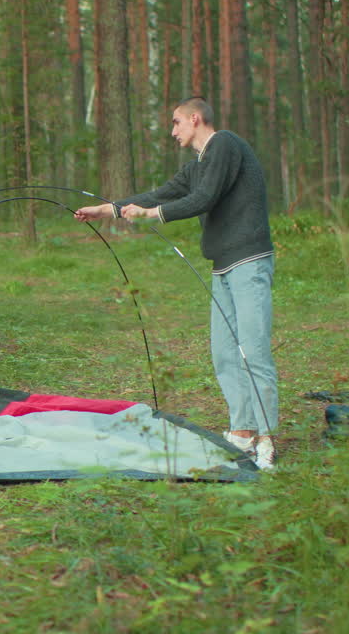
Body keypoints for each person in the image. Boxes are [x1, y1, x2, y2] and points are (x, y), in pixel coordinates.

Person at [74, 97, 279, 469]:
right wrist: (106, 209)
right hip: (223, 267)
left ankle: (266, 439)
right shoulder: (198, 165)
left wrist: (153, 215)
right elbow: (160, 194)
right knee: (224, 353)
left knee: (253, 350)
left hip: (249, 261)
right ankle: (243, 431)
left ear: (195, 118)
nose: (173, 131)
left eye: (176, 123)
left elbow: (204, 199)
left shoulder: (226, 145)